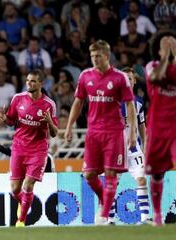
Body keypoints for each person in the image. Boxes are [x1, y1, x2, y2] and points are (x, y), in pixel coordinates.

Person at [64, 40, 137, 225]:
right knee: (89, 174)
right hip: (93, 132)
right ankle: (105, 200)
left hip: (113, 131)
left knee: (111, 172)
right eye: (92, 56)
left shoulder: (120, 77)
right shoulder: (85, 76)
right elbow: (78, 102)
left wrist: (133, 132)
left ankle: (103, 216)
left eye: (98, 56)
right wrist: (69, 126)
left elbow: (129, 104)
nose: (95, 59)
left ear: (107, 56)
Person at [0, 69, 58, 227]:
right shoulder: (18, 98)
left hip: (38, 150)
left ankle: (21, 220)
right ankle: (25, 202)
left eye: (33, 81)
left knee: (28, 185)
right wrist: (4, 117)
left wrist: (49, 122)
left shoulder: (49, 104)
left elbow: (54, 133)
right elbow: (11, 121)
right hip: (19, 148)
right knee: (15, 189)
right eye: (28, 80)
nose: (29, 83)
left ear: (41, 83)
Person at [107, 67, 151, 224]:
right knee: (112, 183)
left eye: (130, 79)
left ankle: (145, 218)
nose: (127, 81)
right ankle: (110, 220)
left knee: (141, 180)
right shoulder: (112, 102)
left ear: (133, 82)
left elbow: (142, 127)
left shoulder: (138, 103)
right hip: (116, 150)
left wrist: (145, 146)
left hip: (134, 149)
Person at [144, 31, 176, 226]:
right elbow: (156, 78)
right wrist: (166, 57)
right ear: (158, 49)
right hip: (157, 127)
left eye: (173, 42)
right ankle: (157, 216)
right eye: (167, 43)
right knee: (157, 172)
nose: (171, 45)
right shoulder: (152, 66)